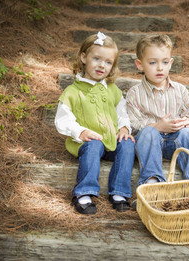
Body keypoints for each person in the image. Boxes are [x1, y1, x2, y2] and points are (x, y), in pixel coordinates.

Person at [55, 32, 135, 214]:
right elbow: (63, 119)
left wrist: (123, 128)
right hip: (87, 143)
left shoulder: (113, 90)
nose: (102, 65)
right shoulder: (72, 92)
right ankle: (84, 193)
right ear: (83, 57)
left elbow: (122, 112)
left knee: (128, 144)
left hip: (111, 141)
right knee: (93, 145)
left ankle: (119, 193)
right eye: (97, 58)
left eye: (108, 62)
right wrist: (81, 132)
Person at [126, 34, 189, 189]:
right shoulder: (135, 93)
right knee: (149, 133)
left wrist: (185, 122)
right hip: (148, 146)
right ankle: (152, 183)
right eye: (152, 62)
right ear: (139, 64)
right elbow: (133, 123)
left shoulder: (180, 90)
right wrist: (157, 126)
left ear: (170, 63)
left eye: (164, 62)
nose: (159, 68)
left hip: (175, 142)